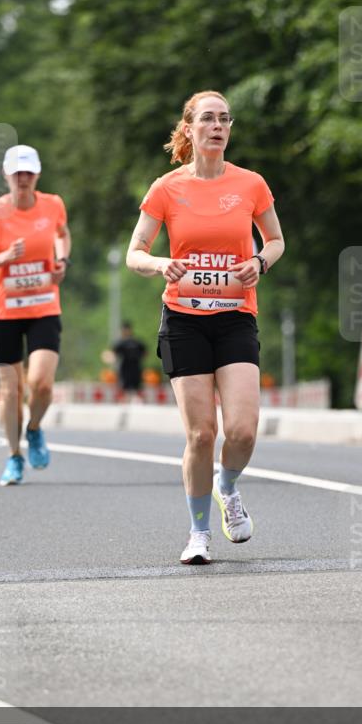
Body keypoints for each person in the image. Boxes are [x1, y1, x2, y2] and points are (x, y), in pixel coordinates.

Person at [126, 90, 284, 564]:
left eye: (224, 119)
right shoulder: (166, 188)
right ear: (190, 129)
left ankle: (227, 486)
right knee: (201, 435)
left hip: (235, 315)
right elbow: (133, 252)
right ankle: (198, 534)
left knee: (243, 429)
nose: (217, 126)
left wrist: (260, 261)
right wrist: (160, 265)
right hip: (184, 320)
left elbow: (276, 240)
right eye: (208, 119)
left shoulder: (251, 184)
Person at [0, 144, 71, 486]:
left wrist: (62, 262)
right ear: (6, 176)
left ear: (37, 174)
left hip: (43, 304)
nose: (23, 179)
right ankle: (14, 456)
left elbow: (62, 235)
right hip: (5, 310)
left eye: (28, 172)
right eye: (17, 173)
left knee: (40, 383)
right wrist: (3, 258)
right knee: (11, 391)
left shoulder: (53, 204)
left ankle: (34, 429)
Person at [112, 323, 147, 398]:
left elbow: (145, 353)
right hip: (125, 368)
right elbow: (114, 353)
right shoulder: (121, 343)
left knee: (137, 387)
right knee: (124, 387)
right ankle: (123, 403)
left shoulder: (137, 342)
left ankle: (139, 402)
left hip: (135, 367)